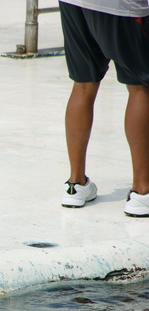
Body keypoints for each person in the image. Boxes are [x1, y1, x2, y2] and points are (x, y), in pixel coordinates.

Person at [59, 0, 149, 217]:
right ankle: (142, 191)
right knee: (141, 87)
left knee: (83, 84)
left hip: (74, 2)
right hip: (121, 6)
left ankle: (76, 184)